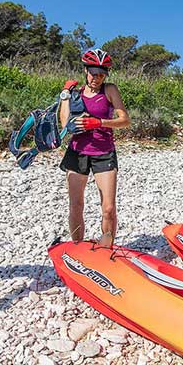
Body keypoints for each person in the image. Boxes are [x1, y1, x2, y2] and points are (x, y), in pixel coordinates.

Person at [58, 49, 131, 247]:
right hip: (77, 152)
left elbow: (124, 120)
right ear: (85, 70)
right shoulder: (75, 94)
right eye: (93, 73)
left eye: (101, 74)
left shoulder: (109, 90)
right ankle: (77, 247)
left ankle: (106, 249)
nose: (96, 78)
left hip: (103, 152)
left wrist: (99, 123)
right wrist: (65, 95)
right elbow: (65, 125)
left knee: (108, 208)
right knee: (76, 205)